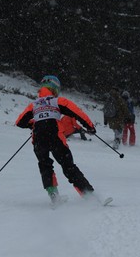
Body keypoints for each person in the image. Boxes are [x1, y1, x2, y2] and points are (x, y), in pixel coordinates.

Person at [15, 75, 96, 205]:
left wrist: (34, 124)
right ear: (55, 89)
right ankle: (89, 196)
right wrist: (90, 127)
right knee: (68, 166)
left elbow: (19, 122)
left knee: (45, 165)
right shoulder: (58, 101)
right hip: (55, 135)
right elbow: (77, 113)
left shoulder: (33, 105)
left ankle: (54, 197)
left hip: (38, 138)